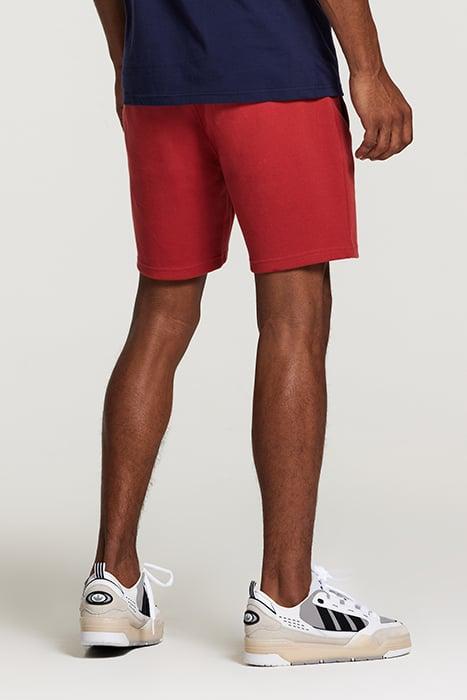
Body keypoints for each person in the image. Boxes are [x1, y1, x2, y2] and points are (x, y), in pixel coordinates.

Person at [80, 0, 413, 665]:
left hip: (159, 84)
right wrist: (369, 68)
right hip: (274, 71)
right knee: (294, 319)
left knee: (160, 314)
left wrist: (127, 64)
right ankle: (287, 599)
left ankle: (111, 583)